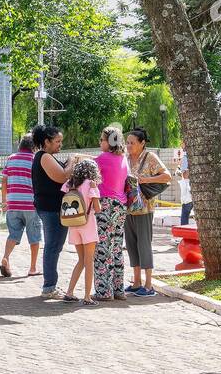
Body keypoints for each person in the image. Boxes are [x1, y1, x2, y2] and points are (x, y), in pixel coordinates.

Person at [123, 127, 171, 297]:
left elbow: (167, 176)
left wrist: (147, 179)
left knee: (144, 244)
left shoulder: (150, 157)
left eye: (132, 143)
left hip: (145, 208)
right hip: (128, 208)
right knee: (131, 245)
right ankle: (136, 283)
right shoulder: (125, 158)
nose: (128, 145)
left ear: (142, 143)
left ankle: (149, 285)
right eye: (127, 142)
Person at [31, 124, 73, 298]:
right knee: (53, 246)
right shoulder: (45, 157)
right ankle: (49, 286)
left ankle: (50, 285)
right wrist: (73, 162)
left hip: (50, 208)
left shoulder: (45, 156)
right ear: (46, 142)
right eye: (57, 141)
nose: (60, 144)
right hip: (51, 209)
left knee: (54, 246)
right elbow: (62, 176)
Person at [93, 127, 130, 302]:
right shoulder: (123, 158)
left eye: (102, 139)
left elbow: (90, 172)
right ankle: (118, 289)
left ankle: (103, 291)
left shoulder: (101, 158)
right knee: (116, 248)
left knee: (103, 248)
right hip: (121, 205)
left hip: (105, 205)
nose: (100, 142)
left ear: (110, 141)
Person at [62, 158, 102, 306]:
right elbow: (97, 209)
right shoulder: (90, 184)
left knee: (81, 260)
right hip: (88, 224)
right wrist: (94, 189)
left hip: (73, 225)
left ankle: (69, 292)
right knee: (89, 261)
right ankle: (87, 296)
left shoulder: (70, 185)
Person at [0, 133, 40, 279]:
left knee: (13, 234)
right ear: (34, 146)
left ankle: (6, 257)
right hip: (30, 204)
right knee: (34, 237)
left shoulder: (11, 158)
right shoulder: (35, 160)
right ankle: (33, 267)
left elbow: (4, 181)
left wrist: (5, 201)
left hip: (13, 204)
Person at [176, 149, 193, 226]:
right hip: (196, 189)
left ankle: (184, 233)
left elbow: (185, 175)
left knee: (185, 214)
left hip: (188, 191)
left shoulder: (185, 157)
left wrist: (180, 173)